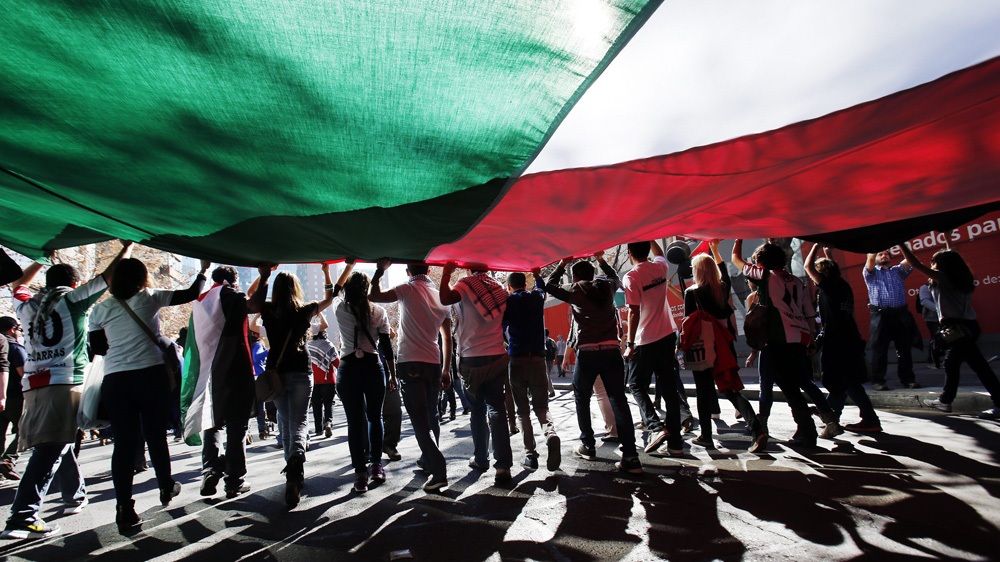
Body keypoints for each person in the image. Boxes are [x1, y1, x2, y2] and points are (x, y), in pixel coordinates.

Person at [2, 242, 130, 539]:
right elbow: (107, 277)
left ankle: (74, 494)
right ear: (74, 283)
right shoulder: (73, 300)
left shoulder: (27, 303)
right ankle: (22, 516)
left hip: (33, 385)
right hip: (65, 381)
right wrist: (125, 248)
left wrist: (40, 258)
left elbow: (18, 284)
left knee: (60, 442)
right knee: (53, 448)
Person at [88, 256, 209, 532]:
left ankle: (124, 508)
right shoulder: (150, 297)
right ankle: (165, 486)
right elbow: (191, 293)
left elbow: (98, 349)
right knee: (155, 436)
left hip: (116, 380)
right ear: (143, 278)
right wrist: (203, 269)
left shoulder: (100, 310)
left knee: (124, 444)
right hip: (150, 376)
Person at [545, 252, 643, 474]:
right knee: (619, 400)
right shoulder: (607, 288)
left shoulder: (574, 290)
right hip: (611, 351)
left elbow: (549, 285)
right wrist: (601, 260)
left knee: (581, 397)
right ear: (592, 274)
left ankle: (588, 445)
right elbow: (614, 276)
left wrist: (562, 264)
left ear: (576, 276)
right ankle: (631, 455)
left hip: (587, 353)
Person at [248, 262, 335, 507]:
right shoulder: (304, 310)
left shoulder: (267, 309)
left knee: (286, 423)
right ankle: (295, 468)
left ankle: (293, 475)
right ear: (296, 289)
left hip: (276, 371)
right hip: (301, 371)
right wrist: (327, 273)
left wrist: (263, 275)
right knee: (299, 422)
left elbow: (249, 299)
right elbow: (329, 298)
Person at [370, 259, 453, 492]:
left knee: (419, 420)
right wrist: (446, 369)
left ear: (408, 271)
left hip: (410, 362)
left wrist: (379, 271)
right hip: (434, 363)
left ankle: (438, 470)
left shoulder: (406, 289)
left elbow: (373, 295)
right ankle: (428, 460)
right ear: (428, 271)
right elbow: (447, 339)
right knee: (431, 416)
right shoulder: (440, 296)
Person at [732, 240, 823, 447]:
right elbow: (809, 312)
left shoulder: (766, 276)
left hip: (777, 339)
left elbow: (735, 260)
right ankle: (810, 428)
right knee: (793, 385)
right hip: (798, 339)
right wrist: (811, 338)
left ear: (761, 263)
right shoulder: (797, 282)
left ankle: (761, 428)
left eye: (756, 261)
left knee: (771, 384)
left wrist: (738, 239)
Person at [682, 240, 768, 451]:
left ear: (697, 271)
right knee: (730, 389)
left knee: (703, 392)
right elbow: (724, 272)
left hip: (703, 347)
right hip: (723, 345)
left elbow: (688, 323)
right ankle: (757, 428)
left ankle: (706, 436)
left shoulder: (692, 293)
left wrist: (681, 347)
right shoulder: (722, 288)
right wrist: (715, 250)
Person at [899, 244, 1000, 419]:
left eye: (934, 262)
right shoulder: (963, 277)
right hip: (969, 327)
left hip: (955, 328)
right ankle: (946, 400)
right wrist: (947, 239)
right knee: (956, 363)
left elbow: (915, 263)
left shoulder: (943, 279)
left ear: (941, 264)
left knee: (971, 365)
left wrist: (901, 243)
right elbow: (952, 257)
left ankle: (948, 401)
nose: (932, 265)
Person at [186, 265, 258, 501]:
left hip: (209, 372)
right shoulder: (234, 297)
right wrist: (265, 277)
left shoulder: (202, 301)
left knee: (213, 423)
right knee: (237, 427)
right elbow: (253, 305)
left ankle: (210, 469)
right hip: (236, 369)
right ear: (234, 281)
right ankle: (234, 481)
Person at [440, 264, 514, 484]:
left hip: (471, 358)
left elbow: (445, 298)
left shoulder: (465, 285)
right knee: (497, 410)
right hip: (497, 355)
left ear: (468, 269)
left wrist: (446, 273)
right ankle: (503, 467)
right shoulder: (499, 288)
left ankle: (481, 458)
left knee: (477, 411)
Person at [332, 261, 397, 494]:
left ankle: (359, 474)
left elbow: (333, 291)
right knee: (374, 418)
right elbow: (387, 347)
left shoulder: (340, 308)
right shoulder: (378, 311)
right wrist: (392, 374)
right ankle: (376, 465)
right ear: (367, 289)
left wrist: (348, 267)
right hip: (372, 367)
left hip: (348, 368)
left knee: (354, 422)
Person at [804, 244, 882, 433]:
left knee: (845, 381)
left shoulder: (829, 287)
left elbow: (807, 266)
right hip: (849, 337)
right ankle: (832, 416)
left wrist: (815, 245)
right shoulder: (842, 285)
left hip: (837, 341)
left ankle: (868, 419)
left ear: (823, 275)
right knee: (843, 381)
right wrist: (828, 253)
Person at [622, 240, 683, 456]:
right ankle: (676, 444)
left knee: (636, 384)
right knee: (669, 390)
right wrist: (651, 236)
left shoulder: (631, 276)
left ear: (629, 253)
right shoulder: (660, 267)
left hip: (646, 340)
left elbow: (633, 311)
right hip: (667, 335)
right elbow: (660, 254)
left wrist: (629, 344)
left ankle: (656, 427)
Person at [502, 270, 561, 472]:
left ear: (509, 286)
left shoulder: (508, 302)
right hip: (538, 357)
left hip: (517, 358)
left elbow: (501, 329)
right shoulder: (536, 297)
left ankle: (530, 454)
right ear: (525, 284)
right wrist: (537, 275)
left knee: (523, 411)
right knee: (542, 406)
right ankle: (550, 434)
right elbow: (542, 288)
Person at [863, 250, 921, 390]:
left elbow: (910, 260)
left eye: (887, 254)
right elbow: (870, 259)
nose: (884, 256)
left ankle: (908, 379)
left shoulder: (898, 271)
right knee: (879, 350)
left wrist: (901, 243)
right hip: (881, 316)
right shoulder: (870, 273)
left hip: (900, 314)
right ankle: (878, 381)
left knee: (904, 349)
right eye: (880, 254)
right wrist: (875, 245)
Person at [0, 316, 27, 480]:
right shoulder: (15, 348)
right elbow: (24, 374)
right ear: (12, 329)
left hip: (2, 397)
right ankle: (8, 460)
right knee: (24, 429)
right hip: (15, 397)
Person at [307, 315, 339, 439]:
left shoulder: (308, 346)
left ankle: (318, 429)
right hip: (329, 380)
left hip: (313, 380)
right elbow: (337, 363)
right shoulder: (329, 345)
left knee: (316, 405)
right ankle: (328, 423)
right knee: (328, 403)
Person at [918, 280, 942, 369]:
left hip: (946, 317)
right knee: (935, 339)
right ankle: (932, 360)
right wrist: (939, 310)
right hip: (933, 318)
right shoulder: (925, 287)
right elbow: (925, 301)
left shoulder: (944, 285)